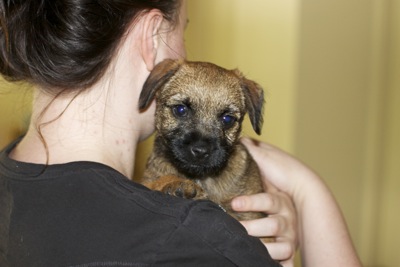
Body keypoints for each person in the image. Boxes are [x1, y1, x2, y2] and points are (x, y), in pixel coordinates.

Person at [0, 0, 361, 266]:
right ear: (152, 36)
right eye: (184, 31)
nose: (202, 142)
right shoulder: (194, 240)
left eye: (225, 120)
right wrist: (307, 190)